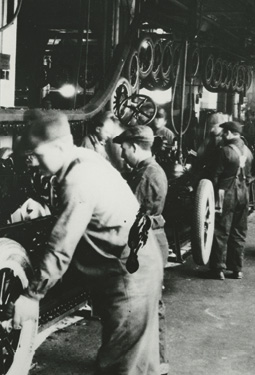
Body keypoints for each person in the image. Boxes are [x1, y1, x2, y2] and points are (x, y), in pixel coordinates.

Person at [12, 109, 163, 374]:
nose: (34, 162)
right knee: (133, 358)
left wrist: (32, 294)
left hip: (129, 273)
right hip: (131, 263)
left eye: (37, 155)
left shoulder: (78, 178)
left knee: (120, 363)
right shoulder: (84, 159)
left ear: (59, 146)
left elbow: (62, 244)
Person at [113, 125, 170, 375]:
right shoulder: (148, 169)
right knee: (148, 303)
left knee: (144, 305)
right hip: (150, 238)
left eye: (124, 148)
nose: (122, 153)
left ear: (134, 147)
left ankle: (152, 363)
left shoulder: (146, 175)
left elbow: (129, 214)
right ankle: (154, 361)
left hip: (145, 242)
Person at [208, 121, 253, 279]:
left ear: (229, 133)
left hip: (223, 194)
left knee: (220, 230)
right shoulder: (248, 151)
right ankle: (237, 269)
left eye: (225, 132)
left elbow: (214, 176)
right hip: (243, 194)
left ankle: (218, 268)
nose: (223, 135)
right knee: (239, 231)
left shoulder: (224, 151)